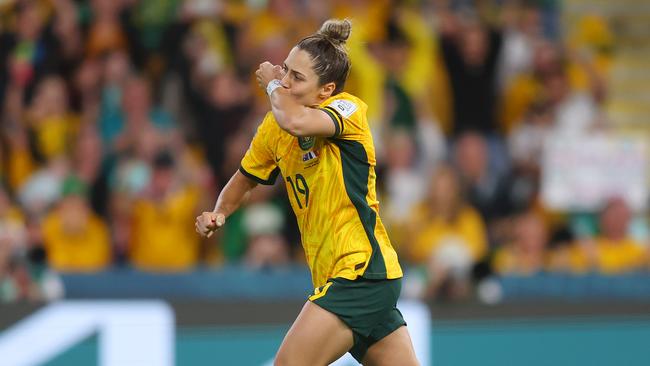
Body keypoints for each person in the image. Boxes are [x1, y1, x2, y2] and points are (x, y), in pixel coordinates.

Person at [195, 19, 419, 366]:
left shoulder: (348, 111)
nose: (284, 80)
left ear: (326, 90)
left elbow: (297, 123)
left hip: (359, 270)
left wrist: (271, 87)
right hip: (343, 276)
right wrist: (220, 211)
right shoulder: (275, 127)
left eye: (297, 78)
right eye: (285, 70)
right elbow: (244, 178)